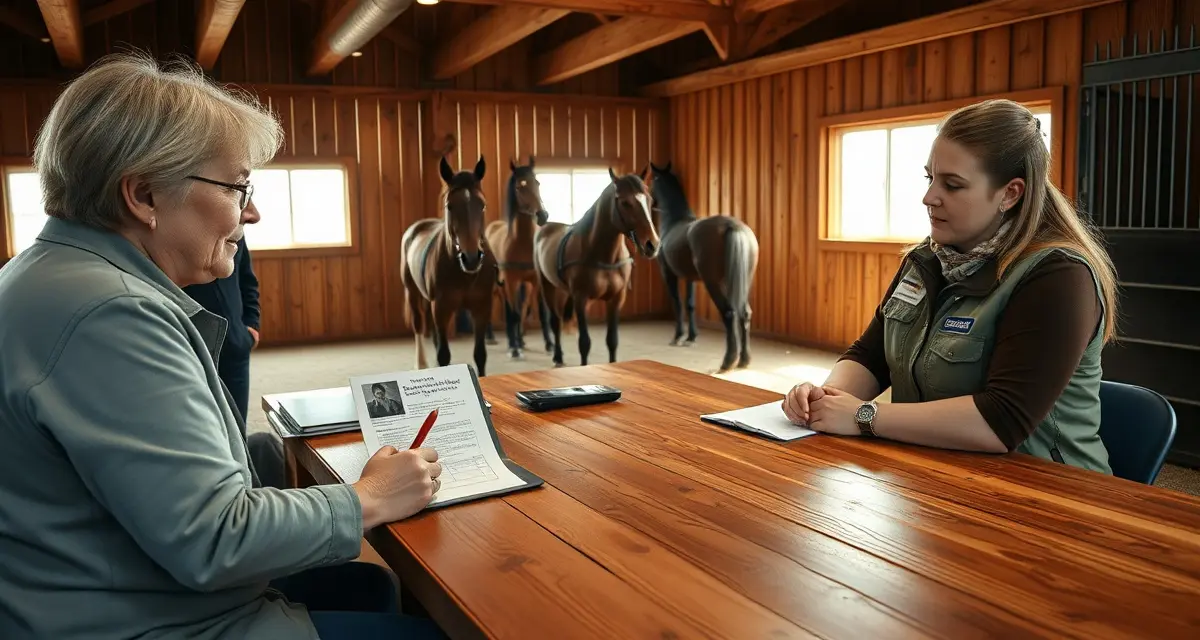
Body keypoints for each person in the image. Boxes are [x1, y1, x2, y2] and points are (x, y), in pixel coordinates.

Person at [0, 52, 446, 639]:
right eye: (238, 186)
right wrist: (368, 497)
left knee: (371, 585)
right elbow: (216, 538)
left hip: (110, 588)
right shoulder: (111, 315)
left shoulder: (48, 275)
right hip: (147, 622)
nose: (253, 211)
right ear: (144, 196)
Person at [783, 98, 1119, 474]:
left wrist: (865, 416)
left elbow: (1001, 421)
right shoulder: (926, 259)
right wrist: (825, 399)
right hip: (932, 476)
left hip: (1049, 494)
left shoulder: (1059, 276)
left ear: (1010, 193)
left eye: (953, 185)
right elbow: (870, 355)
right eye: (930, 178)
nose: (929, 198)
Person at [183, 234, 261, 424]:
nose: (253, 216)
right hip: (188, 349)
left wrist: (251, 325)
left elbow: (246, 279)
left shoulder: (236, 229)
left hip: (235, 345)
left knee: (236, 426)